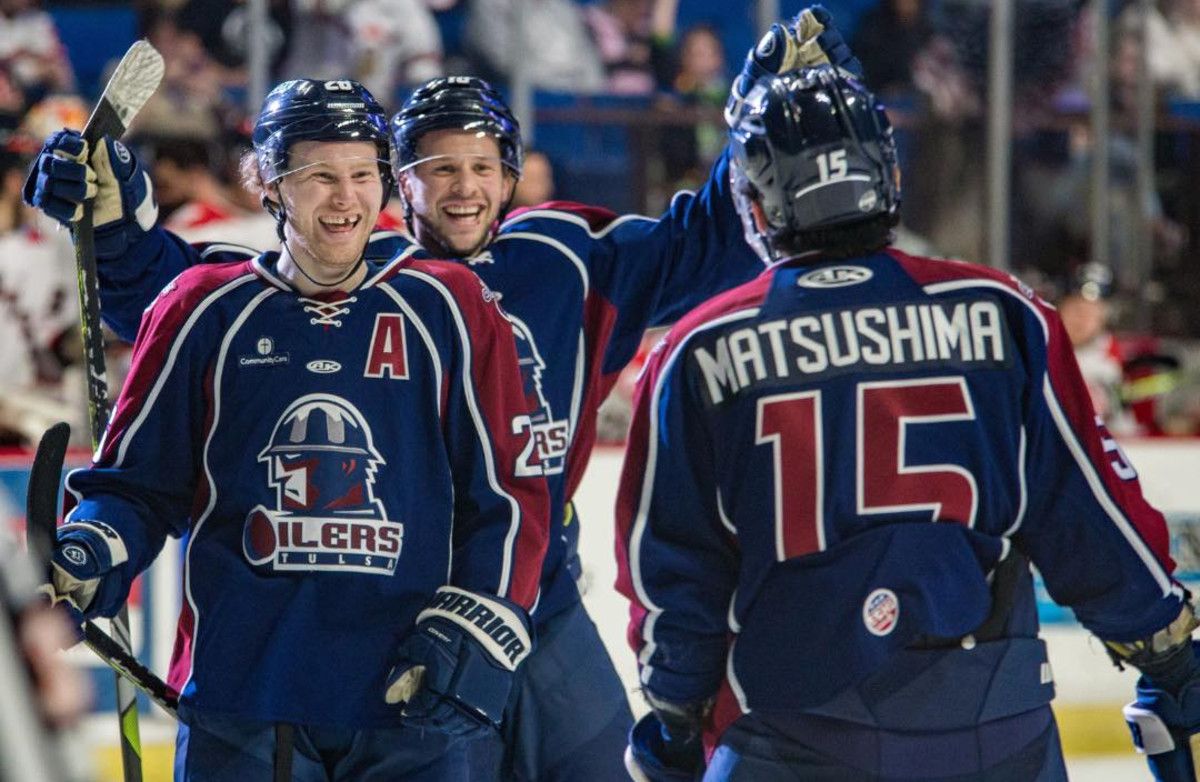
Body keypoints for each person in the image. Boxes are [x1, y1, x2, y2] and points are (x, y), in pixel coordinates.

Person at [24, 10, 860, 779]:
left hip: (525, 585)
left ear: (514, 173)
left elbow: (711, 241)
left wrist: (764, 124)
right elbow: (195, 308)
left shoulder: (563, 260)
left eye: (481, 166)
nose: (462, 188)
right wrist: (118, 232)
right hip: (340, 633)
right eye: (437, 168)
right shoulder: (349, 279)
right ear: (404, 185)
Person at [616, 64, 1197, 781]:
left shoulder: (696, 349)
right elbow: (1086, 511)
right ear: (888, 174)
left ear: (757, 206)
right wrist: (1165, 648)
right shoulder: (1002, 311)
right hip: (993, 726)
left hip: (796, 731)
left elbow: (676, 569)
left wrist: (674, 711)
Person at [25, 78, 549, 781]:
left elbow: (508, 491)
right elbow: (137, 486)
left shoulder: (450, 305)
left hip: (413, 691)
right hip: (245, 693)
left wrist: (480, 619)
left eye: (364, 175)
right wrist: (91, 549)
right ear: (268, 181)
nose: (346, 198)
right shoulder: (201, 309)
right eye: (319, 176)